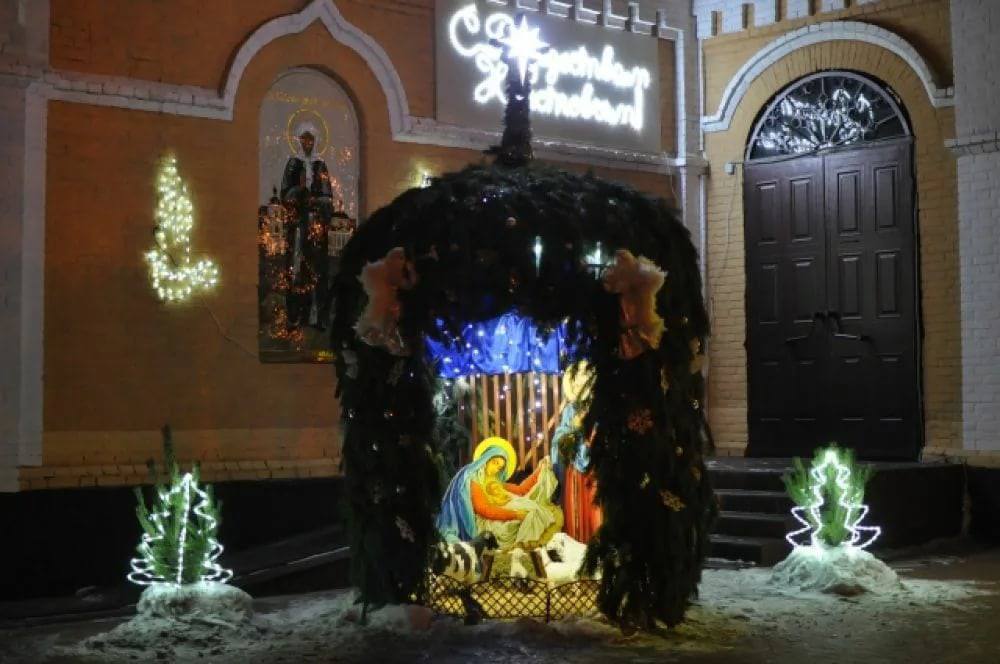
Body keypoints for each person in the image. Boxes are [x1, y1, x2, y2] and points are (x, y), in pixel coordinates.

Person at [437, 437, 563, 551]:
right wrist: (515, 514)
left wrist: (539, 470)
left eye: (500, 467)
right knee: (531, 515)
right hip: (487, 522)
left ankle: (529, 547)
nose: (496, 469)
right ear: (486, 459)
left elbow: (521, 490)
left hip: (501, 515)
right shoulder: (474, 482)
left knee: (541, 512)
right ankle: (524, 547)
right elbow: (484, 509)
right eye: (495, 462)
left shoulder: (495, 482)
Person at [280, 124, 334, 329]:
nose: (307, 143)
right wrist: (300, 191)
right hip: (299, 226)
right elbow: (286, 194)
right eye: (304, 139)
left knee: (318, 269)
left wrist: (318, 201)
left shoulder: (320, 165)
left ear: (315, 141)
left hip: (316, 226)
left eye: (310, 139)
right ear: (299, 140)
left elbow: (328, 196)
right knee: (297, 269)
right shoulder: (293, 164)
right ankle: (296, 316)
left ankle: (318, 317)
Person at [551, 362, 603, 542]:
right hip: (575, 470)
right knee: (576, 512)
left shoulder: (600, 408)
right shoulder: (570, 410)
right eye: (576, 384)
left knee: (596, 512)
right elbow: (560, 438)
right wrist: (573, 428)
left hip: (595, 468)